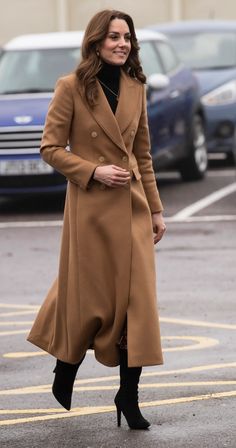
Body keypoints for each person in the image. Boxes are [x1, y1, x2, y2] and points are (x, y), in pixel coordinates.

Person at [27, 9, 166, 430]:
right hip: (91, 210)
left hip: (133, 208)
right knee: (89, 297)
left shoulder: (136, 87)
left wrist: (157, 209)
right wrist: (92, 170)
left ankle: (129, 395)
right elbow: (50, 147)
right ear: (96, 42)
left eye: (127, 37)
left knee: (137, 304)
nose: (122, 43)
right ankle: (66, 364)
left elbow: (142, 154)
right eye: (113, 37)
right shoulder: (70, 87)